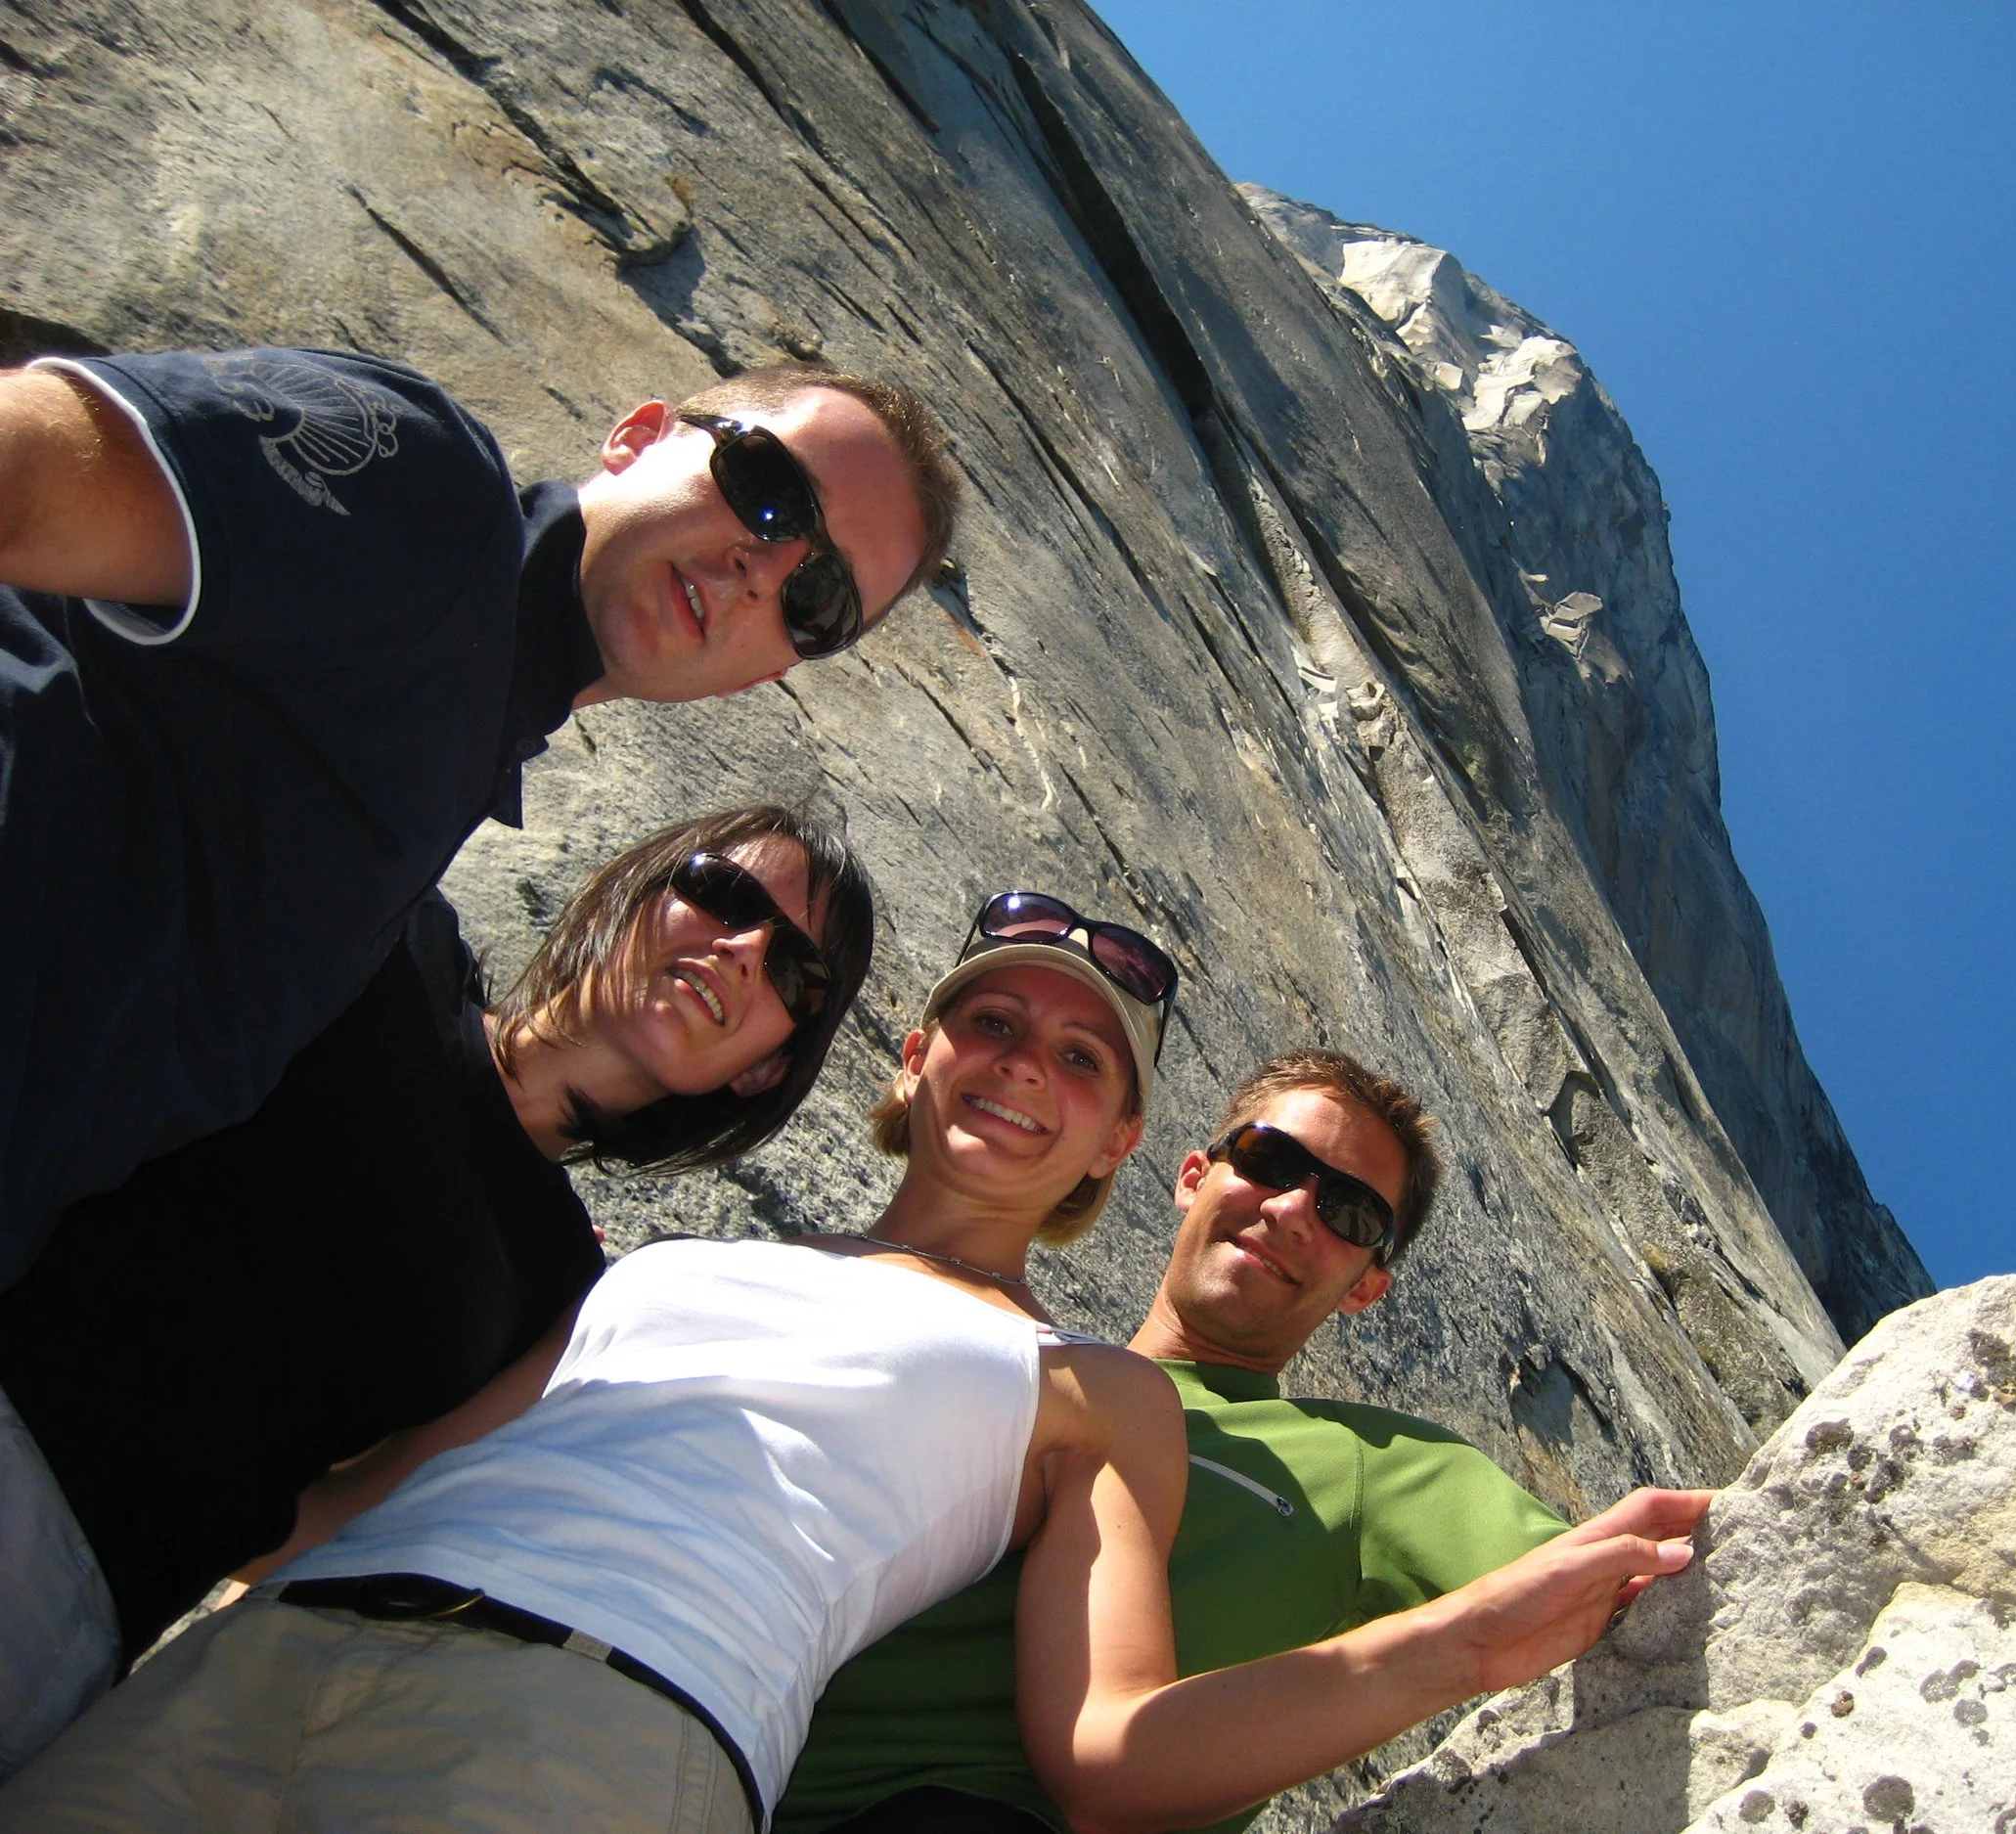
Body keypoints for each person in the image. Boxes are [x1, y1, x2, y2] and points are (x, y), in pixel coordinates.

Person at [0, 898, 1699, 1834]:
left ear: (1117, 1142)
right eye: (994, 1023)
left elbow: (1107, 1745)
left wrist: (1458, 1647)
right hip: (261, 1660)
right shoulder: (667, 1263)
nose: (1022, 1066)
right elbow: (368, 1489)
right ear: (917, 1053)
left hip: (592, 1727)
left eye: (1083, 1059)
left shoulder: (1090, 1397)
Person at [0, 345, 957, 1289]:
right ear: (638, 436)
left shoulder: (452, 760)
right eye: (769, 489)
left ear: (765, 674)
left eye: (818, 597)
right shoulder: (435, 501)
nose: (766, 568)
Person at [0, 803, 874, 1780]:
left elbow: (353, 1521)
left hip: (71, 1596)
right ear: (642, 888)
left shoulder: (563, 1292)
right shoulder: (388, 944)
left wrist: (188, 1520)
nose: (744, 949)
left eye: (794, 972)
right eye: (725, 893)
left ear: (765, 1069)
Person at [782, 1050, 1703, 1834]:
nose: (1294, 1209)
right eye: (1269, 1158)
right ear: (1194, 1175)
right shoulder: (1011, 1364)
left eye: (1350, 1214)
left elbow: (1634, 1592)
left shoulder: (1373, 1467)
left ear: (1366, 1286)